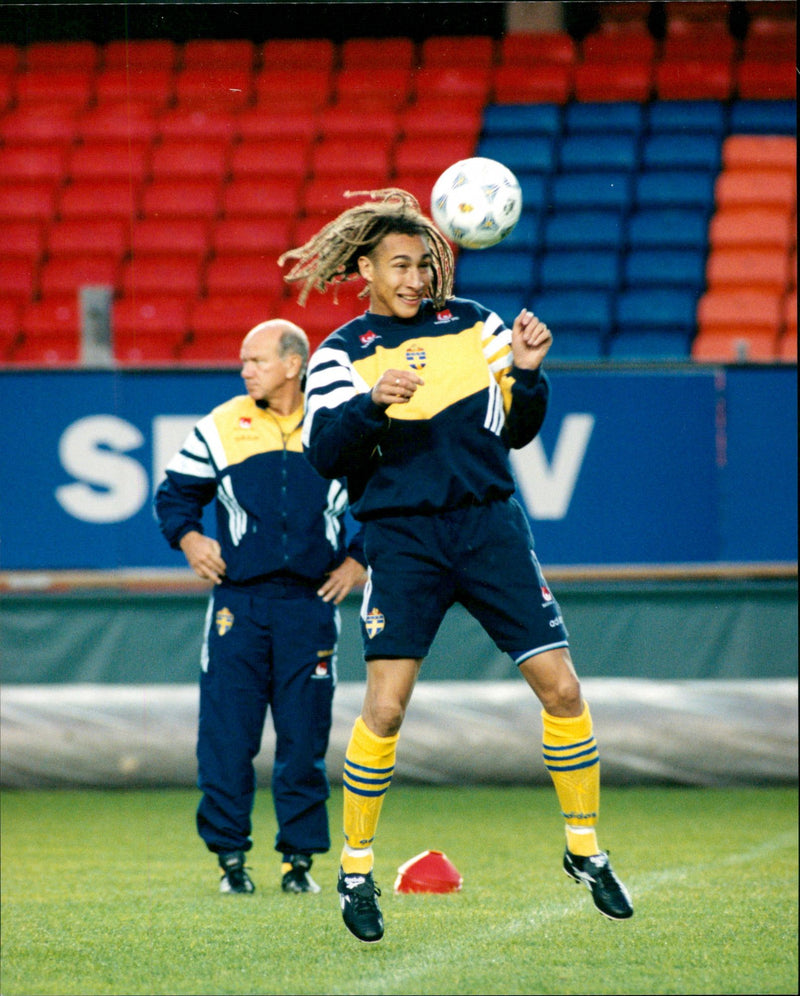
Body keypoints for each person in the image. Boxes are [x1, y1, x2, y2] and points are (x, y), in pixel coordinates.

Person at [279, 189, 633, 941]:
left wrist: (530, 374)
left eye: (426, 264)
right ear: (366, 269)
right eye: (400, 265)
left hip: (490, 527)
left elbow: (517, 429)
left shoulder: (476, 323)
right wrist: (374, 402)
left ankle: (584, 850)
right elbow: (325, 453)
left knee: (562, 687)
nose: (416, 278)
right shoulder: (342, 352)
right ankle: (354, 870)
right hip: (403, 539)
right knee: (386, 708)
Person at [154, 319, 367, 896]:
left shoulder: (336, 426)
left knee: (304, 739)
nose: (244, 369)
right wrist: (191, 540)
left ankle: (298, 862)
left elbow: (384, 500)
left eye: (256, 360)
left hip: (309, 605)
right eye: (244, 360)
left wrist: (359, 559)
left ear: (293, 364)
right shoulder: (223, 424)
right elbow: (174, 494)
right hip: (238, 607)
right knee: (227, 736)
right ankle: (230, 860)